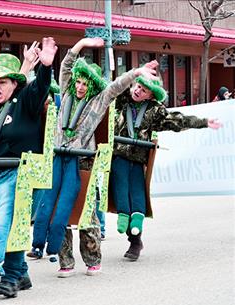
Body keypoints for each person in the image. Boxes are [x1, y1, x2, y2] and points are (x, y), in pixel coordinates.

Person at [29, 37, 159, 278]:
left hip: (83, 161)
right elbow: (66, 66)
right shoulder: (66, 92)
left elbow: (116, 86)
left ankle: (92, 258)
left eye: (84, 84)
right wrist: (81, 43)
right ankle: (65, 261)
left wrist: (136, 72)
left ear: (91, 87)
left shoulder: (97, 102)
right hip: (58, 158)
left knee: (86, 213)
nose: (79, 87)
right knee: (60, 211)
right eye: (78, 82)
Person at [0, 24, 57, 298]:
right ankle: (22, 272)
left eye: (2, 82)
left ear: (15, 83)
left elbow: (39, 88)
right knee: (6, 219)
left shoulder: (25, 100)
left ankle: (10, 276)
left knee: (9, 223)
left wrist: (46, 66)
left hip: (18, 174)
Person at [111, 75, 222, 261]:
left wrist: (203, 123)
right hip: (118, 158)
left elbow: (177, 120)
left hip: (138, 161)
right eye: (137, 86)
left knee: (137, 196)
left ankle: (135, 241)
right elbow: (114, 87)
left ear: (150, 96)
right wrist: (138, 71)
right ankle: (130, 232)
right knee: (121, 197)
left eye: (143, 90)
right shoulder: (121, 100)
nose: (137, 91)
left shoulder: (155, 111)